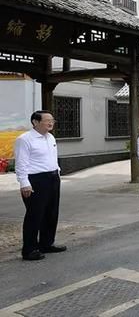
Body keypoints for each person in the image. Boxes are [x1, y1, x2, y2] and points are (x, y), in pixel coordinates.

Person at [14, 111, 66, 261]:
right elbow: (21, 164)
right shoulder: (24, 139)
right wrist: (24, 183)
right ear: (35, 122)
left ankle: (46, 243)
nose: (50, 123)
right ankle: (29, 249)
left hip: (53, 177)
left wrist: (57, 172)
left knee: (51, 213)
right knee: (35, 215)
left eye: (52, 120)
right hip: (36, 180)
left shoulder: (50, 137)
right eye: (47, 120)